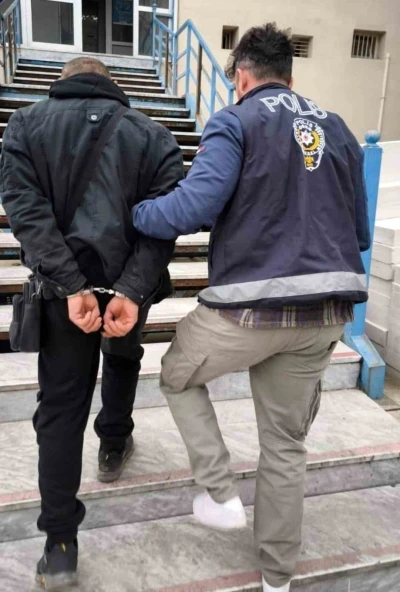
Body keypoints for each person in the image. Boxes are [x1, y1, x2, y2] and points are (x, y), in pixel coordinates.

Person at [133, 23, 370, 592]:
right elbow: (360, 232)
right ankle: (277, 578)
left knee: (177, 373)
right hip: (325, 314)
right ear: (290, 76)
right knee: (286, 445)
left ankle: (220, 492)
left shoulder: (234, 121)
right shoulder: (339, 129)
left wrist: (136, 214)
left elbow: (194, 205)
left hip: (248, 311)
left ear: (241, 76)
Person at [0, 57, 183, 589]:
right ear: (112, 86)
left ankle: (60, 548)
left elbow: (26, 213)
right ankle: (114, 442)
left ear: (62, 85)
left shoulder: (25, 124)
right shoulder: (153, 134)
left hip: (64, 295)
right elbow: (165, 223)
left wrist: (71, 284)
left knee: (60, 409)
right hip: (128, 286)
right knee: (123, 358)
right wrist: (130, 289)